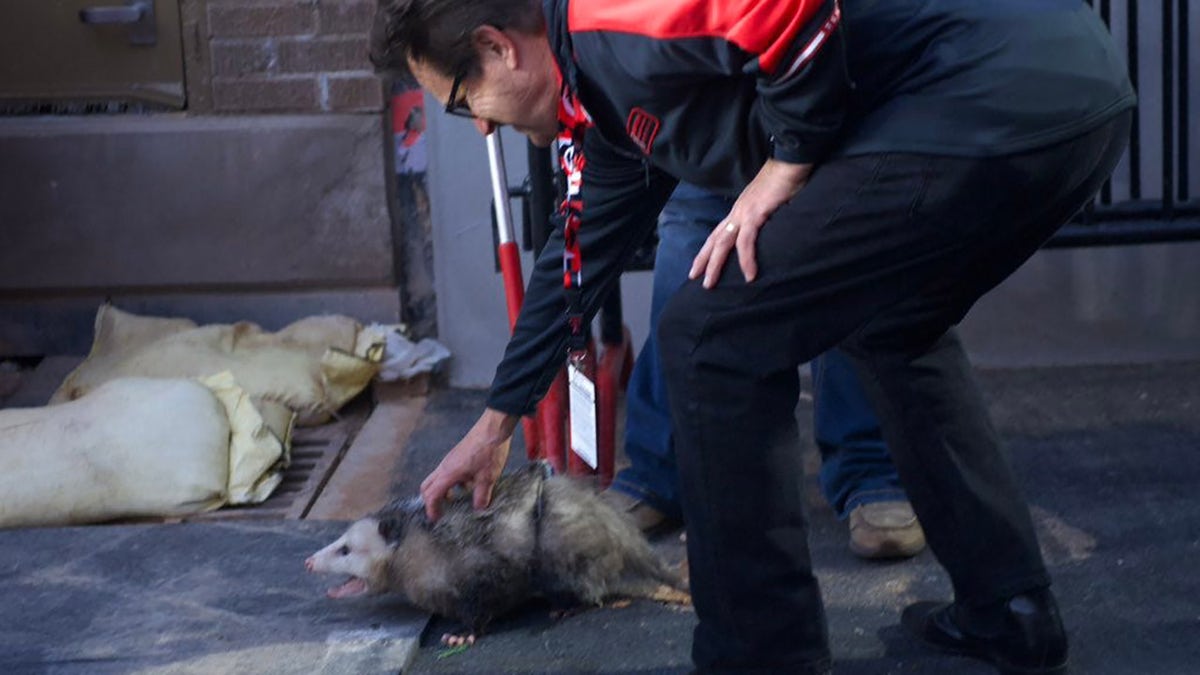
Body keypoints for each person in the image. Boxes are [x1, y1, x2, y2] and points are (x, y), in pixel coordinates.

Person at [373, 0, 1134, 672]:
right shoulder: (602, 106)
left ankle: (761, 654)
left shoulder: (604, 13)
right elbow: (576, 263)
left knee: (710, 340)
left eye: (460, 98)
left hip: (982, 95)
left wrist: (788, 159)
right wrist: (494, 422)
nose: (477, 123)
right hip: (1072, 94)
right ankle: (1011, 610)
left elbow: (785, 6)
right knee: (889, 326)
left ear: (499, 46)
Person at [606, 181, 926, 561]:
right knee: (695, 223)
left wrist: (786, 165)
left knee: (848, 230)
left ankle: (872, 468)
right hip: (715, 131)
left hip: (823, 133)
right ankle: (659, 466)